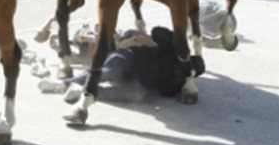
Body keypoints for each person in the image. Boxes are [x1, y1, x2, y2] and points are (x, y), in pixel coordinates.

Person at [38, 26, 206, 103]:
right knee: (109, 71)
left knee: (136, 95)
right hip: (130, 56)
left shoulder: (177, 82)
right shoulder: (174, 48)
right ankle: (63, 84)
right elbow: (157, 31)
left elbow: (165, 91)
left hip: (139, 79)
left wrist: (180, 79)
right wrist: (173, 47)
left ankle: (86, 91)